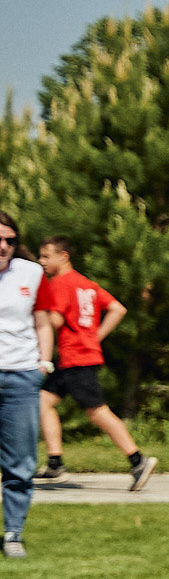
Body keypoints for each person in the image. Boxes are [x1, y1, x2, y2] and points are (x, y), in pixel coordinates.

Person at [32, 238, 158, 492]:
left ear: (63, 256)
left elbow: (54, 320)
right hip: (78, 356)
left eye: (46, 256)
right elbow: (117, 309)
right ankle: (55, 464)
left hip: (75, 357)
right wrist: (95, 336)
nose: (41, 262)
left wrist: (33, 312)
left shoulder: (59, 284)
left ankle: (138, 461)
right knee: (43, 402)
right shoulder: (86, 284)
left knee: (97, 411)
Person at [1, 214, 52, 559]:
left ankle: (13, 534)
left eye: (10, 240)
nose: (3, 246)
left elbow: (43, 321)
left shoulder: (31, 273)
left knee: (20, 462)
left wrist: (43, 365)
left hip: (20, 375)